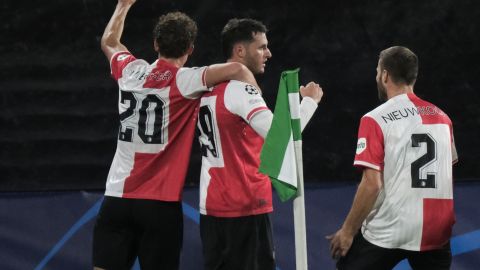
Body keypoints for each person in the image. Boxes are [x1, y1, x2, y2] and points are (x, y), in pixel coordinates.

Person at [93, 1, 261, 269]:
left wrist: (123, 4)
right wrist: (256, 98)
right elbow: (238, 69)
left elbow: (109, 41)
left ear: (155, 44)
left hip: (117, 199)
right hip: (160, 205)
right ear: (190, 49)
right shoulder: (187, 80)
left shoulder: (130, 72)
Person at [196, 18, 324, 270]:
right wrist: (309, 102)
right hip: (244, 205)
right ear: (240, 51)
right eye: (261, 47)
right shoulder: (241, 91)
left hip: (210, 207)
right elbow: (279, 137)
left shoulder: (205, 89)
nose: (268, 53)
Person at [327, 46, 458, 270]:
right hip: (436, 230)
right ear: (413, 76)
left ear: (385, 75)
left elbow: (372, 184)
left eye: (378, 71)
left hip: (392, 227)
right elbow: (447, 173)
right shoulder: (443, 118)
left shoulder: (375, 119)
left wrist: (348, 231)